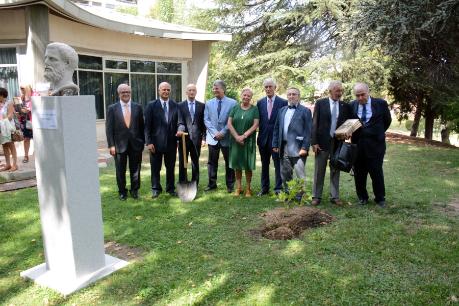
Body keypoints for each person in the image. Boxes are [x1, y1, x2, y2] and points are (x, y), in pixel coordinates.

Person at [350, 83, 392, 208]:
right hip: (358, 146)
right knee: (359, 174)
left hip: (376, 146)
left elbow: (387, 121)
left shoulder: (380, 104)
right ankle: (362, 198)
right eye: (357, 95)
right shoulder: (351, 105)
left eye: (362, 94)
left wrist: (376, 133)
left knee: (376, 172)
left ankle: (380, 198)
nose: (360, 98)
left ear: (368, 92)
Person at [311, 81, 351, 206]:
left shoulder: (345, 105)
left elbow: (351, 122)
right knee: (319, 170)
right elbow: (314, 123)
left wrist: (349, 132)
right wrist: (314, 142)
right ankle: (316, 196)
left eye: (341, 91)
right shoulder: (320, 103)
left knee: (335, 169)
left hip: (338, 143)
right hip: (322, 143)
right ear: (330, 91)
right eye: (337, 91)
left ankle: (335, 196)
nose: (339, 93)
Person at [105, 84, 145, 201]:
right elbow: (109, 128)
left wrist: (142, 142)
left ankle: (134, 190)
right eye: (123, 92)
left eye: (127, 91)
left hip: (136, 145)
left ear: (130, 92)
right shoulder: (112, 108)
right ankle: (122, 191)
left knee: (136, 169)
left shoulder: (138, 107)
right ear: (119, 94)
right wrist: (111, 145)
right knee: (120, 170)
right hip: (119, 145)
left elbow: (142, 126)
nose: (126, 94)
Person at [144, 82, 180, 198]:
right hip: (155, 144)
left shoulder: (175, 105)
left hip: (171, 143)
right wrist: (148, 142)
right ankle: (156, 189)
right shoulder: (151, 105)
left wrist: (180, 129)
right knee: (155, 168)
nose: (166, 92)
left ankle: (170, 188)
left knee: (170, 167)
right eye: (164, 89)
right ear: (159, 90)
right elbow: (147, 126)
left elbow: (179, 122)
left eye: (168, 90)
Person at [272, 87, 312, 192]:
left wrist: (305, 147)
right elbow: (276, 128)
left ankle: (300, 195)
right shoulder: (281, 111)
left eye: (294, 94)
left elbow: (308, 131)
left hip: (299, 147)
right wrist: (275, 144)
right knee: (285, 173)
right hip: (283, 146)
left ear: (298, 96)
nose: (291, 96)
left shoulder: (305, 111)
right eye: (289, 94)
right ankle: (287, 194)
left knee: (300, 174)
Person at [204, 80, 237, 193]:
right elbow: (206, 120)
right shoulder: (208, 103)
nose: (214, 90)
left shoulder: (233, 103)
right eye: (213, 88)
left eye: (216, 88)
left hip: (227, 138)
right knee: (212, 162)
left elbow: (232, 120)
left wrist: (223, 132)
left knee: (229, 162)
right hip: (212, 138)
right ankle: (212, 184)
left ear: (223, 89)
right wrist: (215, 133)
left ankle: (230, 185)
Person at [256, 78, 288, 196]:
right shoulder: (260, 103)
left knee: (278, 165)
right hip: (263, 139)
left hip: (277, 141)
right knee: (264, 165)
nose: (268, 89)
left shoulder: (283, 102)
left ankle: (278, 189)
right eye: (266, 87)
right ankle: (264, 188)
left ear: (275, 87)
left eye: (270, 86)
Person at [227, 88, 260, 197]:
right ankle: (238, 187)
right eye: (244, 95)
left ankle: (248, 189)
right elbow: (229, 124)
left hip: (248, 141)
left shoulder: (254, 109)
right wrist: (237, 137)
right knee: (237, 165)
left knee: (247, 166)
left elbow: (255, 125)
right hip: (235, 141)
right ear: (241, 95)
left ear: (251, 98)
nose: (246, 97)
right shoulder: (235, 108)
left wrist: (244, 136)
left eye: (248, 96)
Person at [176, 84, 206, 186]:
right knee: (183, 162)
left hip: (197, 139)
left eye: (193, 90)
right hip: (184, 139)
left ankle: (194, 183)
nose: (191, 92)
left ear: (196, 92)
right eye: (189, 90)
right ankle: (183, 182)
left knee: (195, 162)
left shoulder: (202, 106)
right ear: (186, 92)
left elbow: (203, 124)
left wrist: (204, 138)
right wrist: (180, 130)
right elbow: (180, 122)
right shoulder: (180, 105)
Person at [0, 88, 18, 172]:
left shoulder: (9, 103)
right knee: (4, 145)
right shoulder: (0, 104)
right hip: (2, 128)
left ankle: (15, 164)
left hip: (8, 127)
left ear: (2, 95)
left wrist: (2, 120)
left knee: (11, 145)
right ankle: (8, 164)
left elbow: (10, 116)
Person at [18, 85, 34, 163]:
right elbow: (20, 109)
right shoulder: (22, 97)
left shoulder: (34, 96)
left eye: (23, 88)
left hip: (34, 120)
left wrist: (26, 110)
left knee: (37, 139)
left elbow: (31, 109)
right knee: (26, 139)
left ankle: (39, 155)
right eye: (21, 89)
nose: (21, 90)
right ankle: (26, 156)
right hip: (25, 120)